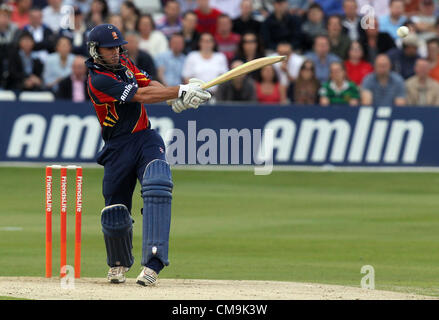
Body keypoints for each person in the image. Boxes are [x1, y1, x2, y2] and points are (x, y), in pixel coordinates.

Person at [85, 23, 211, 285]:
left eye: (118, 47)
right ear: (96, 51)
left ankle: (154, 263)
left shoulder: (125, 64)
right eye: (109, 49)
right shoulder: (98, 80)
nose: (116, 52)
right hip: (117, 147)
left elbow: (147, 83)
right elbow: (140, 95)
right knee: (115, 212)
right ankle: (119, 262)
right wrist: (179, 90)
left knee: (157, 183)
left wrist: (171, 97)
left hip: (145, 138)